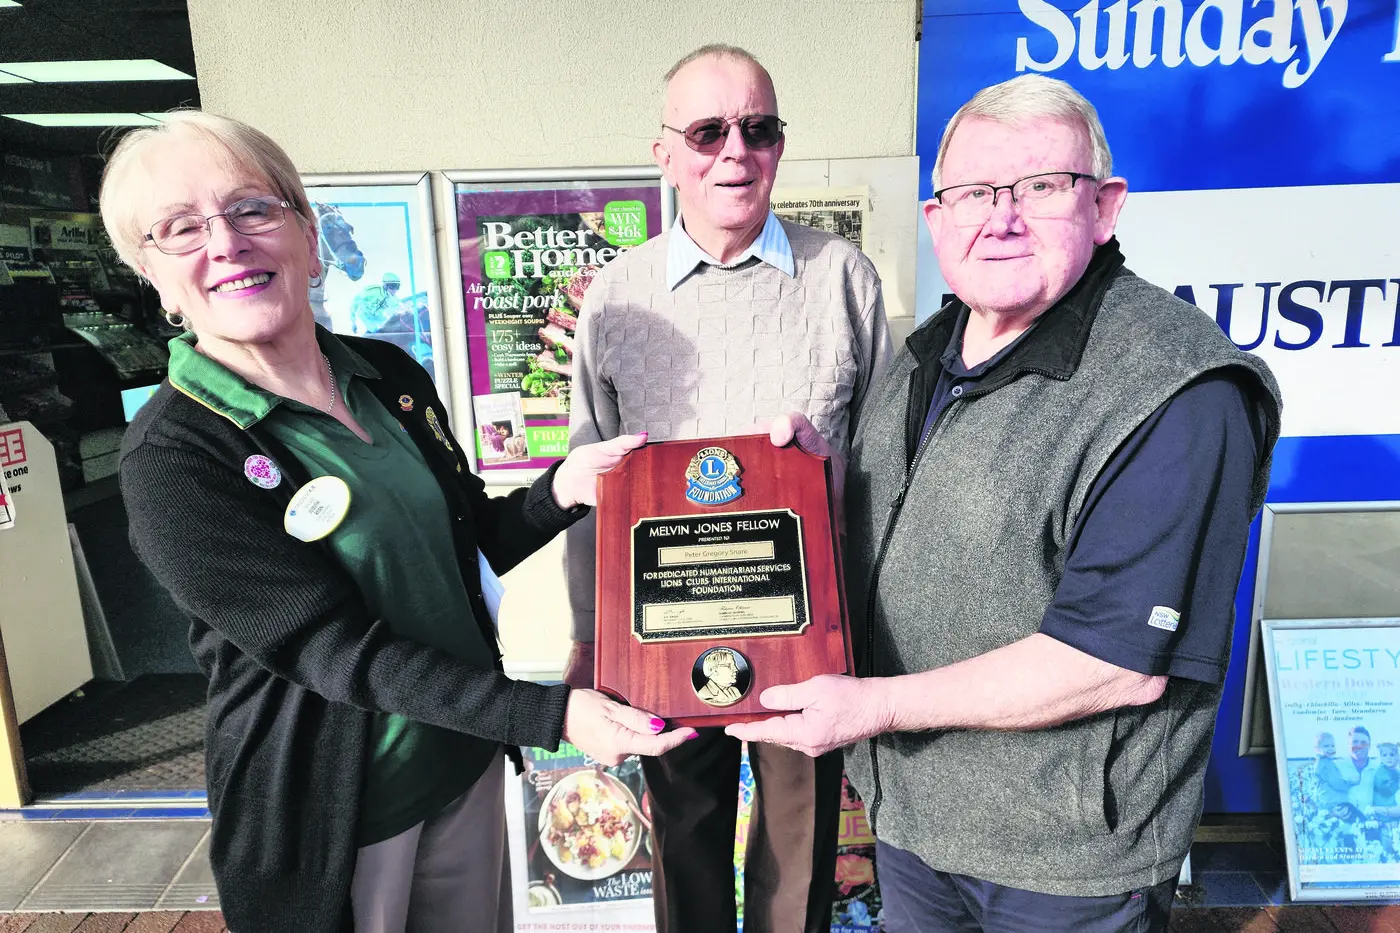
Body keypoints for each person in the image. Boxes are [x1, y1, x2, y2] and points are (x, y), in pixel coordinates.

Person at [99, 111, 695, 933]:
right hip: (337, 809)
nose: (226, 243)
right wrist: (554, 715)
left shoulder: (388, 376)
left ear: (307, 238)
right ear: (152, 275)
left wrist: (562, 489)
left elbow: (460, 543)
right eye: (180, 228)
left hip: (462, 758)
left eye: (251, 209)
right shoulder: (173, 456)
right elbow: (330, 649)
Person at [729, 74, 1283, 933]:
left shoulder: (1178, 391)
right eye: (975, 191)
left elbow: (1114, 658)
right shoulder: (927, 352)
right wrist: (818, 480)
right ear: (936, 217)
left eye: (1041, 186)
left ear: (1105, 206)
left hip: (1061, 861)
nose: (1003, 215)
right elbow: (929, 512)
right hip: (918, 820)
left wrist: (870, 706)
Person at [563, 44, 891, 933]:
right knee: (684, 837)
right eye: (707, 132)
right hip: (660, 632)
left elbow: (893, 466)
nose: (734, 152)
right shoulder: (617, 296)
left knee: (799, 851)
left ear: (781, 146)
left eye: (759, 128)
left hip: (805, 634)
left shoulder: (843, 279)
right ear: (664, 152)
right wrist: (591, 642)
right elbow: (587, 477)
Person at [351, 271, 403, 335]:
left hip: (376, 319)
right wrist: (353, 321)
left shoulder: (394, 300)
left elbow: (400, 310)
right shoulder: (373, 291)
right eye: (392, 286)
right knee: (373, 330)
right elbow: (355, 300)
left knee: (387, 327)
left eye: (397, 286)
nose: (395, 290)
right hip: (363, 315)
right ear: (385, 285)